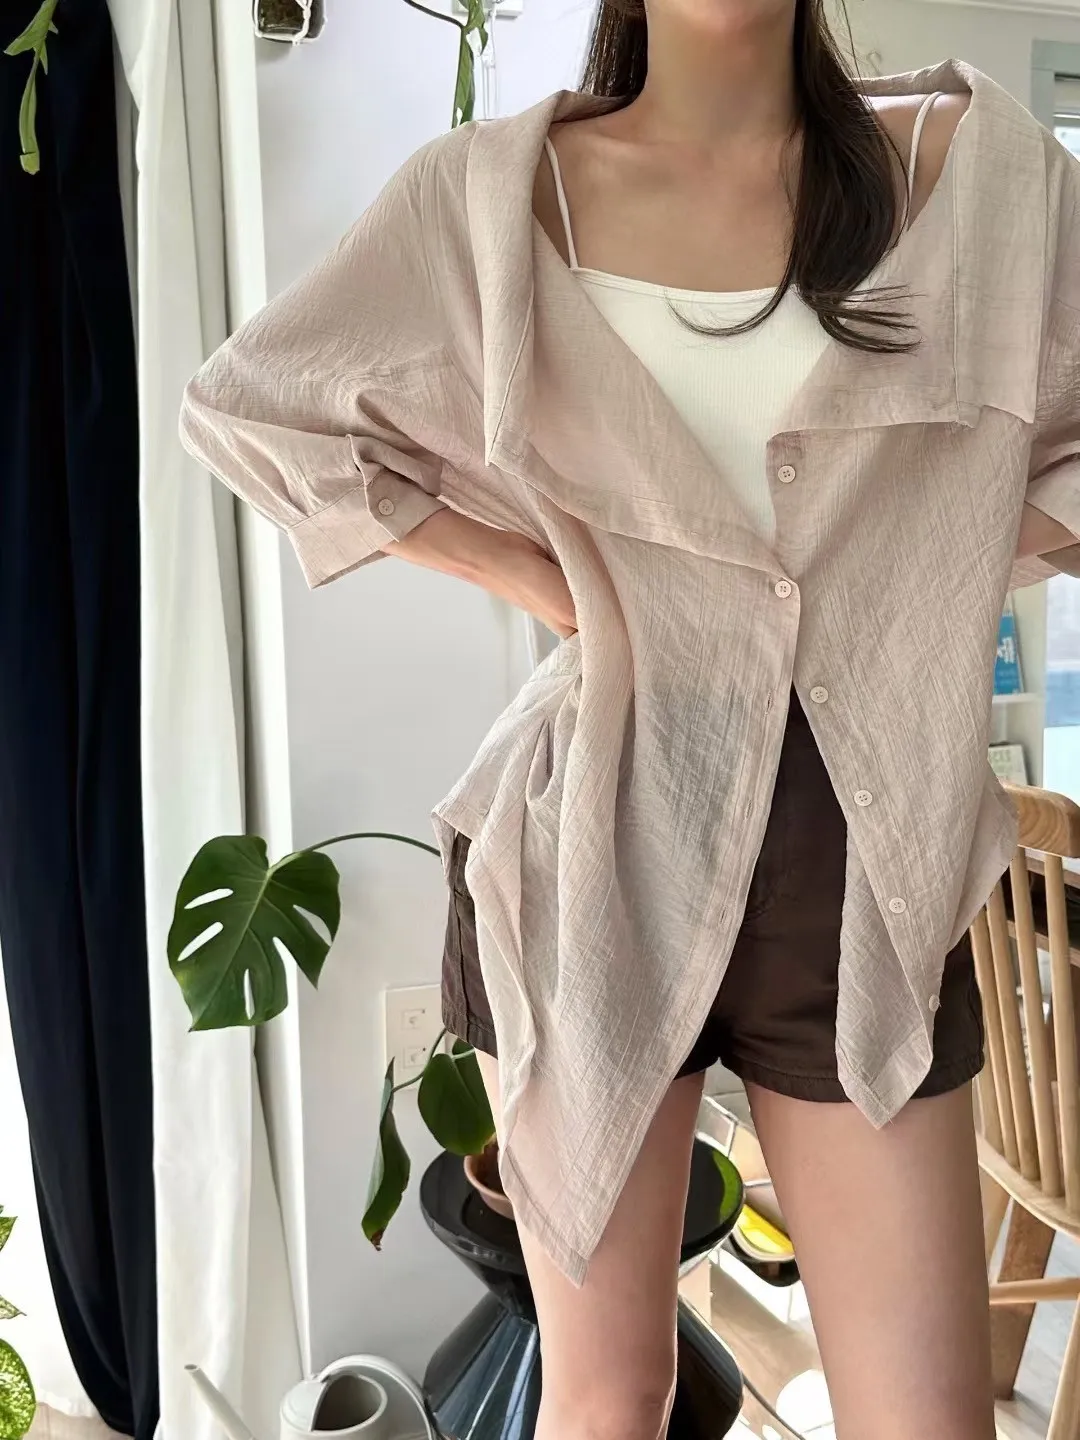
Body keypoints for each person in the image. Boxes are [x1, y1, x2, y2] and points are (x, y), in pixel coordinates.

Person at [180, 3, 1080, 1436]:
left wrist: (929, 569)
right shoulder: (493, 199)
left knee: (927, 1418)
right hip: (588, 845)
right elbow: (256, 408)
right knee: (609, 1400)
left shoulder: (986, 176)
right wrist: (540, 575)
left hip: (866, 869)